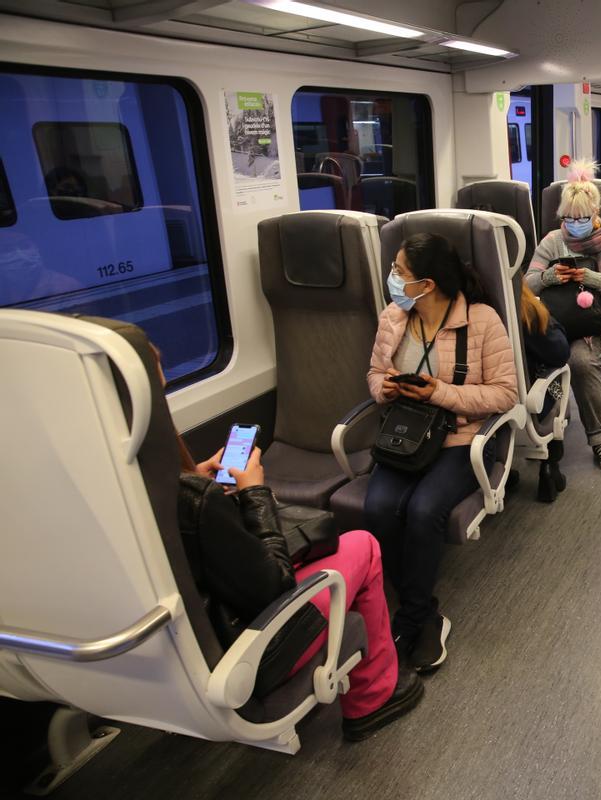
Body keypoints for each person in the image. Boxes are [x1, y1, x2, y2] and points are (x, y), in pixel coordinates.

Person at [161, 351, 423, 743]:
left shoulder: (115, 497)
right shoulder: (196, 502)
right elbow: (272, 587)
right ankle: (371, 698)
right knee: (362, 545)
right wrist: (254, 494)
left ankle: (352, 649)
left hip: (171, 661)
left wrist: (193, 474)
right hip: (242, 654)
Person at [364, 232, 518, 670]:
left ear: (427, 284)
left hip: (460, 438)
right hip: (404, 437)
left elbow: (505, 394)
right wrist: (387, 389)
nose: (393, 279)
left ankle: (412, 619)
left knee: (423, 509)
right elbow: (374, 374)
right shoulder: (394, 317)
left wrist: (440, 393)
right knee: (377, 508)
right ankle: (425, 616)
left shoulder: (482, 320)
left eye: (400, 272)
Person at [526, 159, 601, 471]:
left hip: (596, 322)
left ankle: (599, 440)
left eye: (582, 218)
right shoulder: (552, 241)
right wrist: (549, 277)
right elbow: (526, 283)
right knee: (525, 353)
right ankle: (541, 423)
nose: (575, 224)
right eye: (569, 219)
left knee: (579, 361)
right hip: (557, 319)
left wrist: (594, 279)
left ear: (595, 214)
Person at [518, 281, 570, 502]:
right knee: (559, 391)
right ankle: (550, 466)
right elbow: (559, 353)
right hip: (528, 402)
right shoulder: (525, 311)